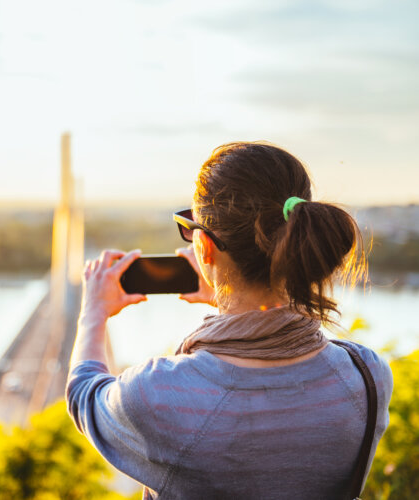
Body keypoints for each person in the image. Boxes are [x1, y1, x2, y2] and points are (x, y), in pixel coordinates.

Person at [66, 142, 393, 500]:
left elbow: (85, 394)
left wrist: (93, 312)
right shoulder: (368, 377)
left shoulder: (160, 395)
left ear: (204, 247)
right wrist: (229, 302)